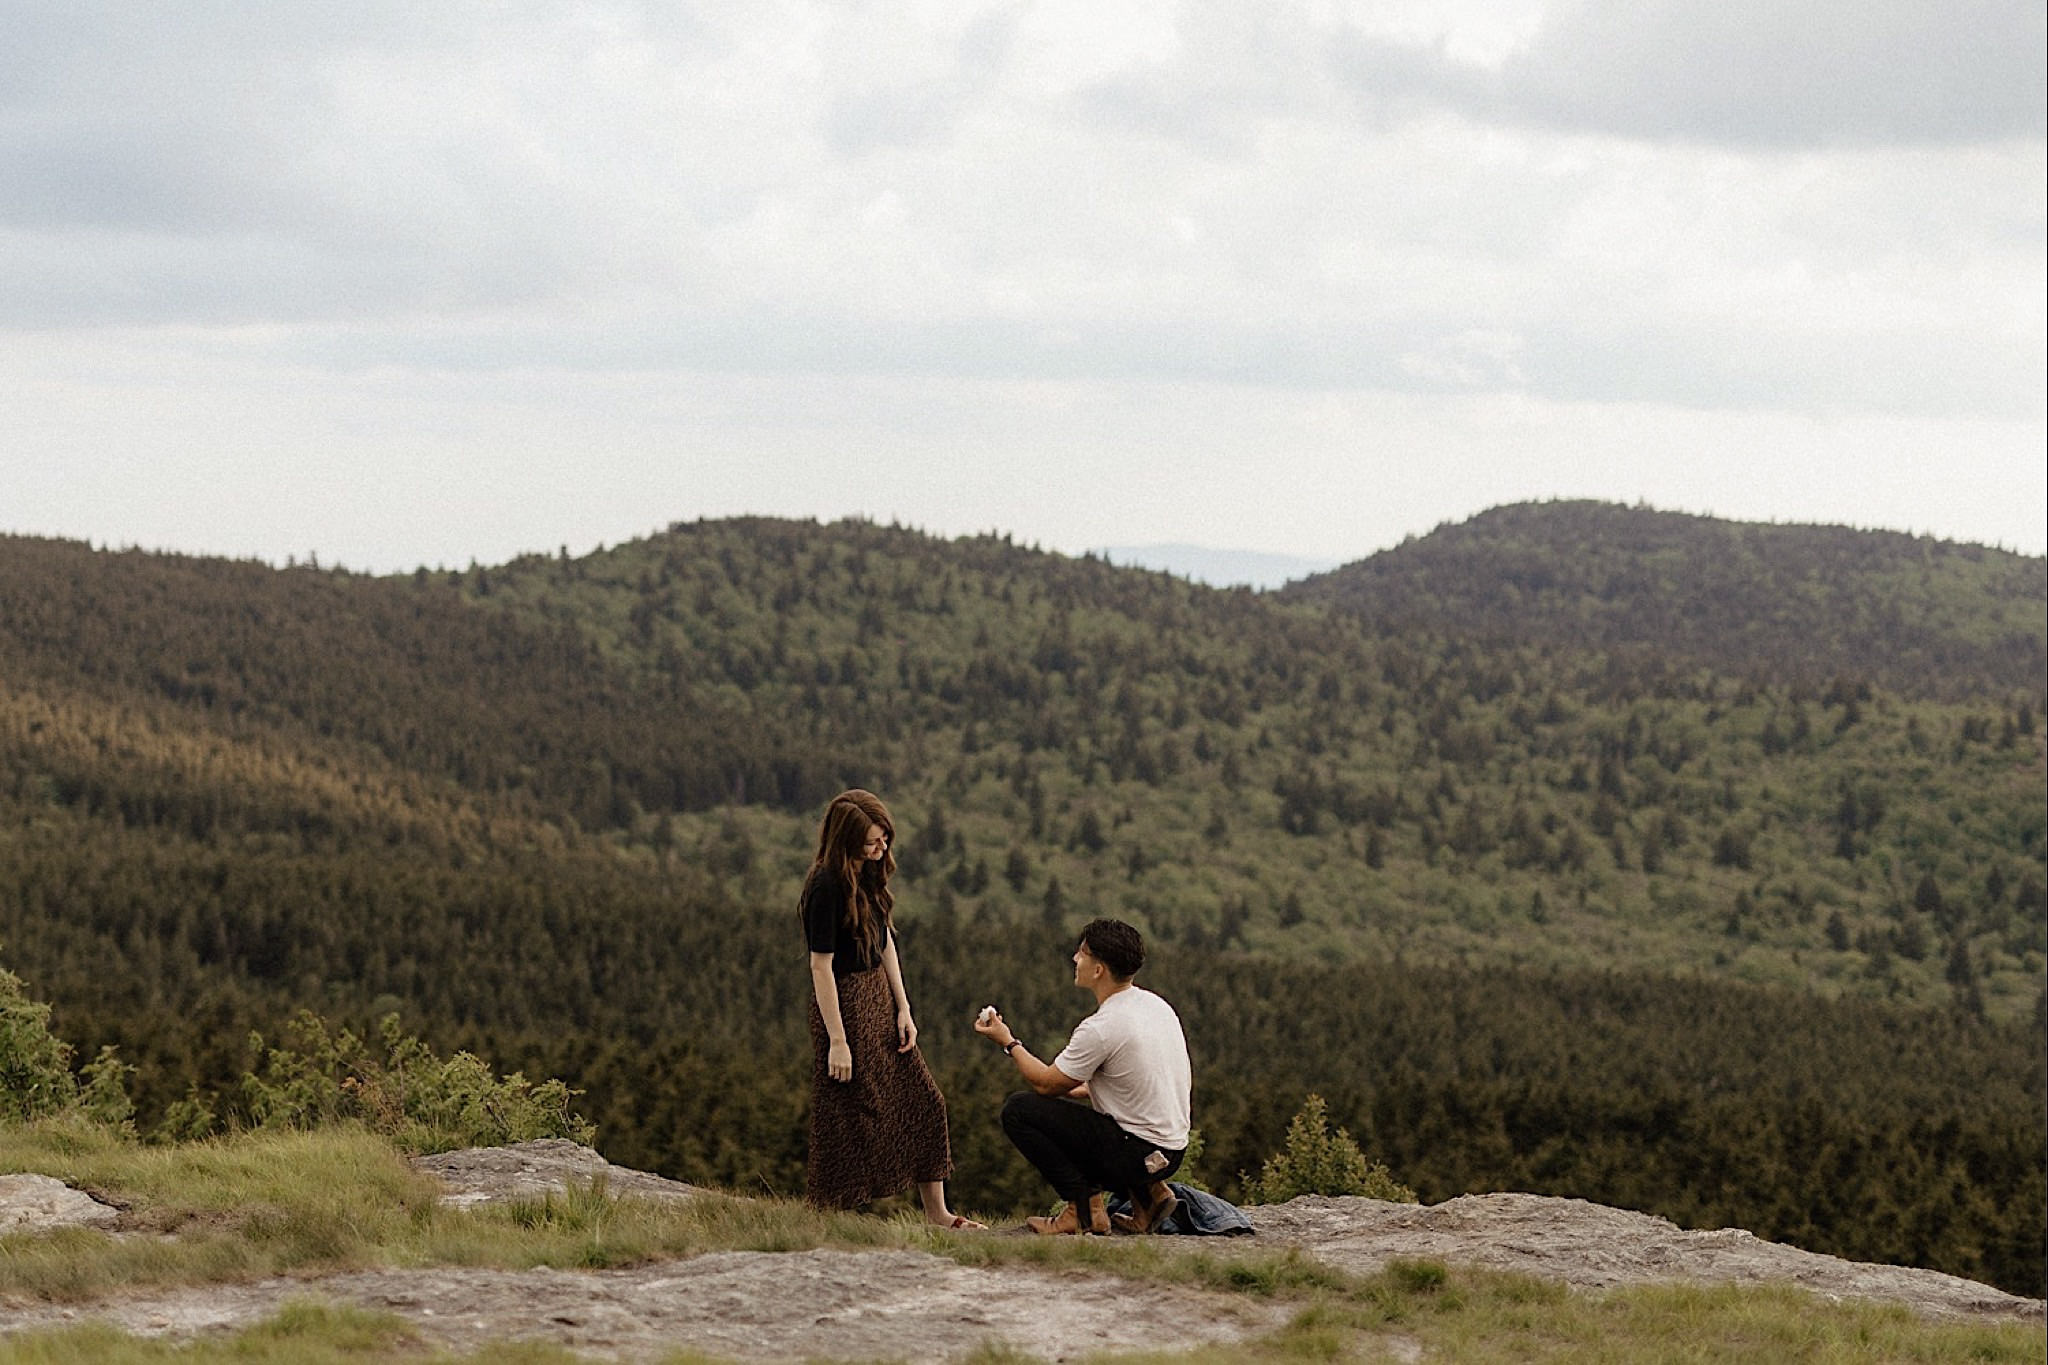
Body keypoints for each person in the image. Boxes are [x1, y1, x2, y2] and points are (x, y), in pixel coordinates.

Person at [802, 788, 982, 1228]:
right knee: (846, 1113)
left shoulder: (868, 875)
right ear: (846, 840)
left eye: (884, 839)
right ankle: (827, 1214)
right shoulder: (824, 886)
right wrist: (838, 1041)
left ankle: (937, 1214)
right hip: (843, 1004)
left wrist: (904, 1007)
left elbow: (885, 943)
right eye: (871, 842)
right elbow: (820, 966)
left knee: (923, 1099)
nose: (881, 848)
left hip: (879, 997)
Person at [974, 918, 1190, 1236]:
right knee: (1100, 1123)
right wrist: (1091, 1088)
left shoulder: (1102, 1027)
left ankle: (1082, 1210)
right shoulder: (1155, 1005)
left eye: (1082, 953)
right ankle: (1150, 1199)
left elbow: (1045, 1084)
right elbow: (1147, 1074)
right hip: (1170, 1154)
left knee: (1020, 1111)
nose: (1075, 958)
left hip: (1137, 1155)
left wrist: (1008, 1042)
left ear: (1099, 969)